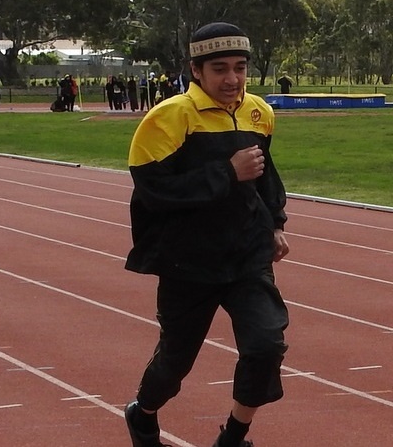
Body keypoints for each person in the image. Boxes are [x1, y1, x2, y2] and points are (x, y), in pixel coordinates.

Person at [124, 22, 290, 447]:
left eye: (239, 68)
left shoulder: (259, 112)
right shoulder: (168, 117)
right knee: (176, 361)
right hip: (188, 261)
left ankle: (234, 437)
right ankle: (142, 413)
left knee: (267, 345)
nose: (232, 79)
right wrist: (225, 172)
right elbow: (153, 192)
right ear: (196, 71)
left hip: (247, 256)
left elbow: (265, 176)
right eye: (219, 69)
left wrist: (274, 224)